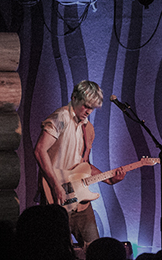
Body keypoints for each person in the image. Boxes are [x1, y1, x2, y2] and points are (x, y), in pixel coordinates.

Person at [34, 80, 124, 248]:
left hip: (80, 198)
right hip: (57, 195)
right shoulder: (60, 117)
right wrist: (56, 185)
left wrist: (109, 179)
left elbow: (84, 165)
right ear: (74, 98)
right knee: (58, 249)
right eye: (86, 106)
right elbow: (40, 150)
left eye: (92, 108)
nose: (88, 111)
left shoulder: (88, 128)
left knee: (95, 248)